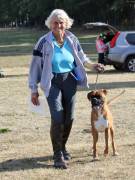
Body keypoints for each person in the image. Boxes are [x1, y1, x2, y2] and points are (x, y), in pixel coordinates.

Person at [28, 9, 104, 169]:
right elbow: (35, 66)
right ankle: (57, 156)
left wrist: (93, 66)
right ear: (50, 24)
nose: (58, 25)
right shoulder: (43, 41)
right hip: (52, 81)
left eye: (61, 22)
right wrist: (33, 89)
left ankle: (62, 147)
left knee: (69, 117)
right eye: (55, 22)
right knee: (57, 116)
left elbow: (82, 58)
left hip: (70, 80)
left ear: (66, 24)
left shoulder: (72, 39)